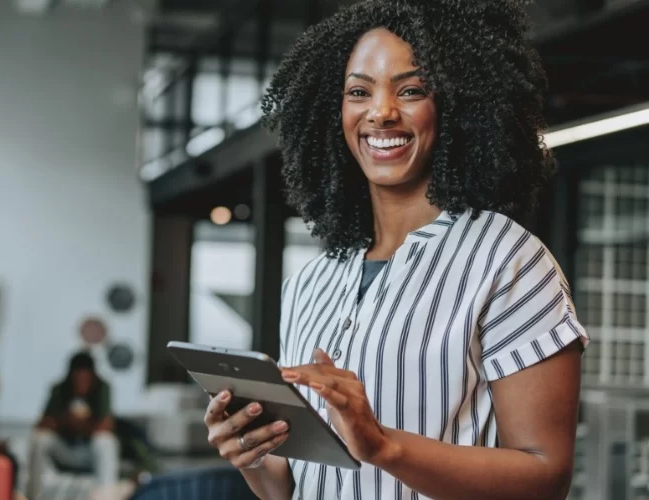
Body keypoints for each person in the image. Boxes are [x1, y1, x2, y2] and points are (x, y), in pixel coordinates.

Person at [203, 1, 590, 499]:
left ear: (454, 105)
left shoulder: (509, 260)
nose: (381, 112)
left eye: (411, 90)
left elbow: (546, 477)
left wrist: (383, 445)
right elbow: (291, 488)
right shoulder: (310, 282)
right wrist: (251, 453)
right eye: (358, 92)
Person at [27, 351, 119, 498]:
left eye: (85, 378)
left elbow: (107, 425)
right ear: (71, 376)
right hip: (65, 448)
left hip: (88, 451)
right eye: (78, 377)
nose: (81, 382)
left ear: (92, 377)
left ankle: (106, 496)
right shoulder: (59, 389)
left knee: (106, 442)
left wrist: (84, 425)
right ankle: (34, 495)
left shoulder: (102, 388)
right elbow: (43, 424)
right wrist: (66, 422)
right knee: (40, 439)